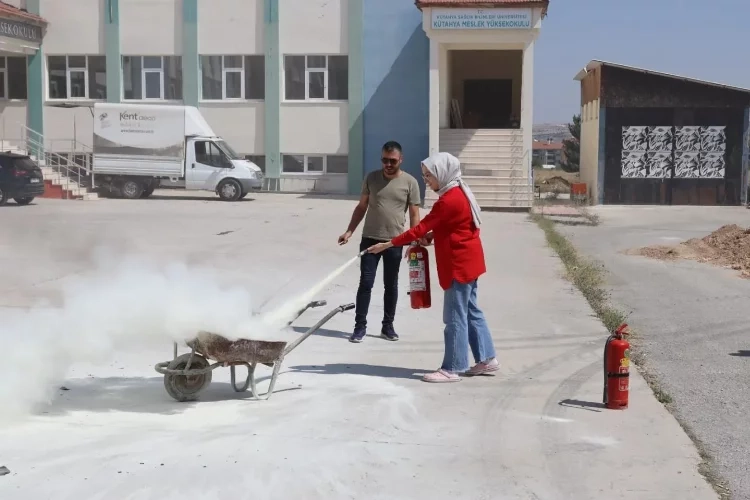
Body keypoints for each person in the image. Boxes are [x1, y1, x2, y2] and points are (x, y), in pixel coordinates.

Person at [366, 152, 498, 383]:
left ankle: (453, 368)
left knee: (455, 316)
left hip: (459, 263)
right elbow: (451, 225)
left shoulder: (448, 200)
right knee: (471, 310)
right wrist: (431, 236)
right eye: (424, 175)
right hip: (470, 261)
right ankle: (487, 359)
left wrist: (389, 243)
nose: (426, 180)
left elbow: (421, 227)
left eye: (429, 176)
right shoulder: (458, 192)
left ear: (442, 174)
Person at [338, 141, 421, 343]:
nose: (388, 164)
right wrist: (349, 231)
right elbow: (361, 207)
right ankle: (359, 327)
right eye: (384, 160)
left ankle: (387, 326)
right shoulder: (372, 178)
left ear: (401, 159)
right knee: (366, 283)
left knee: (390, 285)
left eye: (392, 160)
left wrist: (414, 240)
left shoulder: (410, 182)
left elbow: (414, 215)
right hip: (369, 240)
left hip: (395, 242)